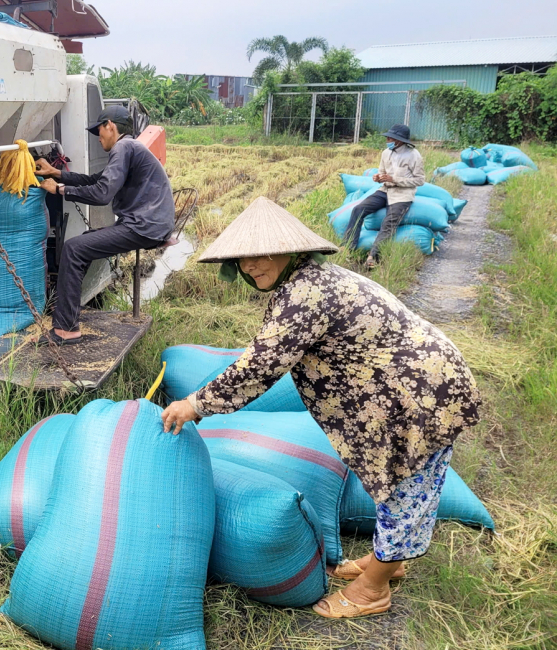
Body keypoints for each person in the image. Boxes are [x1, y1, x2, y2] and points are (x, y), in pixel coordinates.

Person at [160, 196, 480, 619]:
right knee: (391, 477)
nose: (252, 267)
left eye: (262, 255)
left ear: (291, 250)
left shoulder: (304, 295)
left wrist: (196, 404)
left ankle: (373, 589)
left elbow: (260, 366)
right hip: (407, 386)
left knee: (405, 483)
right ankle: (392, 559)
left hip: (420, 394)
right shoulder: (308, 281)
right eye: (243, 260)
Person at [34, 104, 174, 345]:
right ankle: (69, 312)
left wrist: (60, 190)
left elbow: (101, 194)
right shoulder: (131, 147)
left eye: (99, 130)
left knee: (74, 248)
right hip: (148, 224)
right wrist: (56, 173)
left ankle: (66, 328)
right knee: (82, 245)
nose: (98, 138)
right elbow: (95, 180)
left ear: (110, 125)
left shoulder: (124, 146)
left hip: (144, 226)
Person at [344, 124, 425, 270]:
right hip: (385, 190)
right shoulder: (386, 153)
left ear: (400, 140)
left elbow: (420, 180)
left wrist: (394, 179)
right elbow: (381, 172)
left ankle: (372, 257)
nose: (388, 139)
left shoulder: (414, 155)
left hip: (402, 195)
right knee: (358, 209)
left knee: (388, 223)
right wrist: (378, 177)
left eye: (391, 137)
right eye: (388, 137)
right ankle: (348, 247)